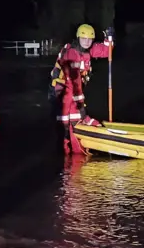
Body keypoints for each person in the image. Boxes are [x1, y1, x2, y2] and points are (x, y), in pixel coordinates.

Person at [48, 24, 113, 155]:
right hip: (63, 93)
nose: (87, 42)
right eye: (84, 39)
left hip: (73, 92)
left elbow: (106, 51)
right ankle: (69, 157)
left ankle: (77, 150)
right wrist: (80, 105)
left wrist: (109, 38)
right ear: (78, 38)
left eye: (90, 39)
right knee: (67, 124)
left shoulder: (87, 50)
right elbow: (74, 82)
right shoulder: (72, 54)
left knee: (76, 119)